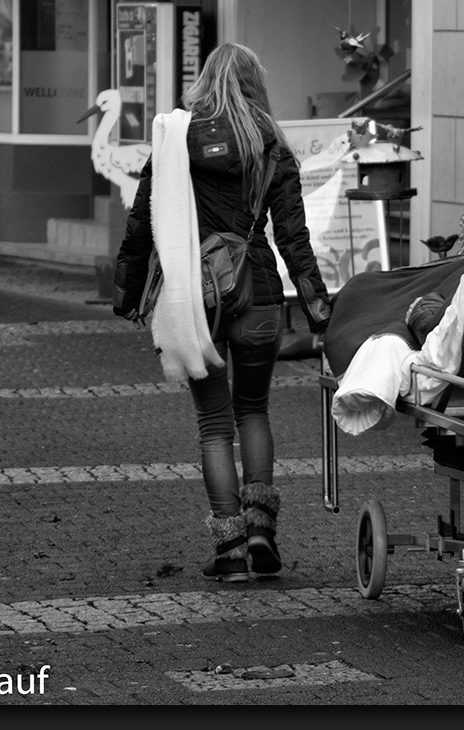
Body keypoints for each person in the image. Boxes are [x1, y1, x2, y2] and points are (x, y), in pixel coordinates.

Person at [113, 43, 332, 583]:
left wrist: (127, 292)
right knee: (253, 410)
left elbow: (141, 223)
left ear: (205, 80)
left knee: (214, 425)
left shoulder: (173, 140)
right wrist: (319, 310)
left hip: (195, 296)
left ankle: (230, 550)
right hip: (256, 293)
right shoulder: (271, 144)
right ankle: (261, 533)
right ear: (256, 83)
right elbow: (294, 238)